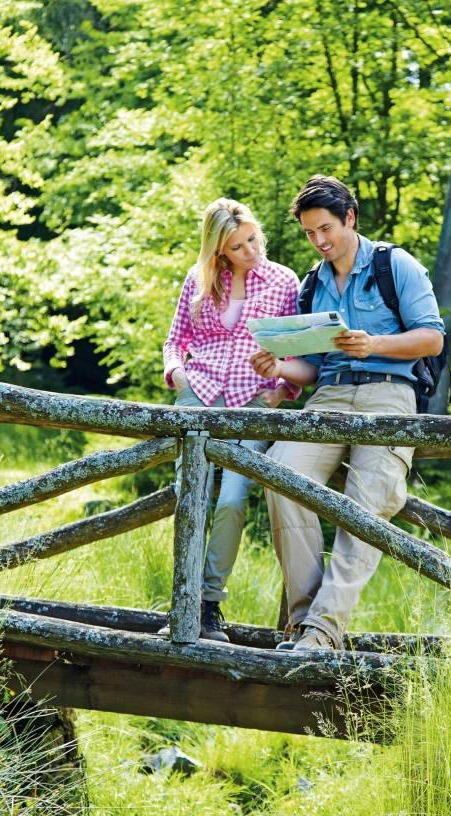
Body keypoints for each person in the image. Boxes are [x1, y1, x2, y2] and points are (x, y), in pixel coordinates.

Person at [250, 176, 444, 652]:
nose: (319, 241)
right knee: (280, 474)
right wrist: (279, 367)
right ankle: (303, 622)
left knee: (367, 503)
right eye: (309, 233)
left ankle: (323, 630)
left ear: (350, 218)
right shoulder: (312, 284)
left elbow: (433, 338)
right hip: (329, 398)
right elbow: (313, 368)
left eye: (326, 229)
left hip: (390, 396)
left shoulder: (394, 265)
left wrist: (374, 344)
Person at [161, 198, 300, 642]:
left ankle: (207, 604)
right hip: (198, 394)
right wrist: (176, 373)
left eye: (253, 239)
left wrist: (282, 391)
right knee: (191, 493)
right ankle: (182, 599)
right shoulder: (198, 278)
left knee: (233, 499)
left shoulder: (284, 281)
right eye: (238, 247)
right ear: (219, 249)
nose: (251, 251)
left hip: (251, 401)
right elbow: (175, 340)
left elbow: (297, 349)